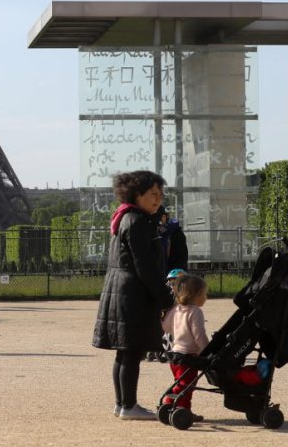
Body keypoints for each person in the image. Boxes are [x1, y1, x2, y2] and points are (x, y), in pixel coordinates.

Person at [92, 170, 174, 421]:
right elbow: (145, 266)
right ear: (137, 195)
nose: (158, 199)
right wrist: (165, 297)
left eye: (160, 194)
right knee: (132, 351)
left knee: (125, 351)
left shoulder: (125, 217)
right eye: (152, 194)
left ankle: (122, 404)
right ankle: (128, 405)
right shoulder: (138, 221)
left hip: (122, 289)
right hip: (133, 293)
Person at [160, 273, 210, 422]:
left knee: (181, 383)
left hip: (175, 355)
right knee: (186, 387)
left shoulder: (176, 309)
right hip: (189, 357)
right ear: (195, 295)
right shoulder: (195, 312)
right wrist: (207, 350)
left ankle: (173, 405)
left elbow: (166, 327)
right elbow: (199, 335)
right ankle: (180, 408)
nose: (205, 297)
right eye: (204, 294)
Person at [157, 207, 188, 276]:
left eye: (159, 217)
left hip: (174, 273)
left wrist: (174, 274)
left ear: (164, 217)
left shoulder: (175, 232)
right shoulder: (153, 232)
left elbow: (182, 256)